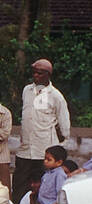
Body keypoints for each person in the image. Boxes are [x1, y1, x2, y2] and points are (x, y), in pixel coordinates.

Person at [15, 59, 71, 195]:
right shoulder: (26, 90)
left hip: (44, 151)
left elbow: (64, 124)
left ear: (48, 74)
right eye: (34, 73)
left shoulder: (56, 96)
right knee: (19, 186)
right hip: (25, 150)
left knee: (42, 188)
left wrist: (60, 149)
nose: (36, 76)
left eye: (40, 73)